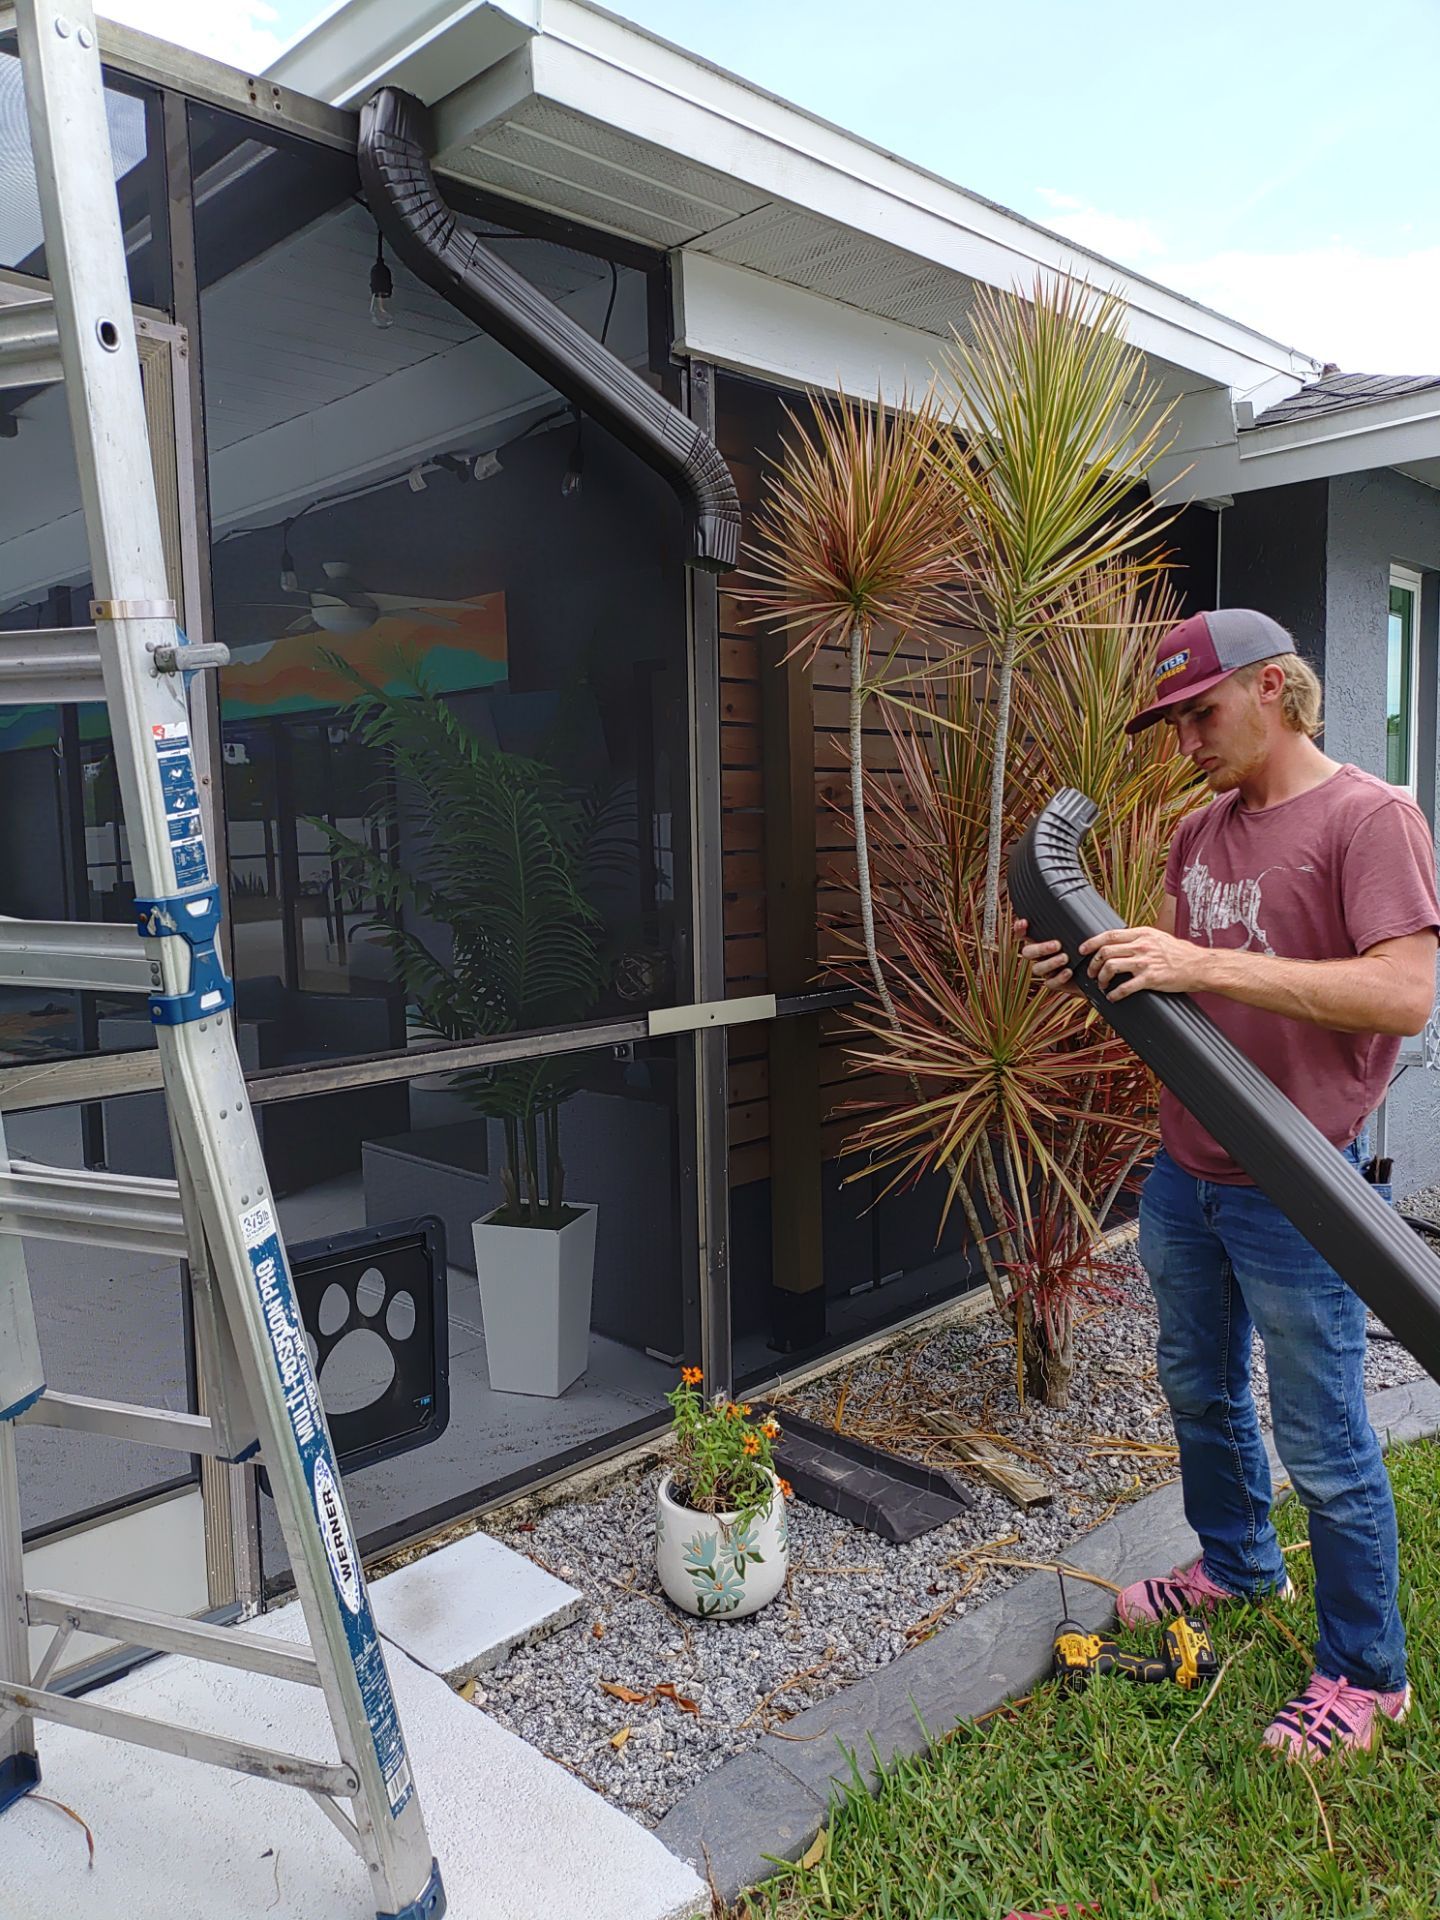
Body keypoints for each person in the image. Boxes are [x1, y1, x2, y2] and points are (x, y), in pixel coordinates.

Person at [1017, 606, 1440, 1761]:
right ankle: (1240, 1562)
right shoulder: (1201, 834)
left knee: (1322, 1434)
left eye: (1199, 713)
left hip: (1302, 1188)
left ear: (1274, 689)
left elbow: (1406, 993)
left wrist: (1200, 959)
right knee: (1198, 1391)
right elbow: (1176, 986)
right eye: (1173, 722)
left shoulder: (1373, 817)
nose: (1185, 740)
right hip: (1187, 1173)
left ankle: (1365, 1672)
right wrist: (1093, 963)